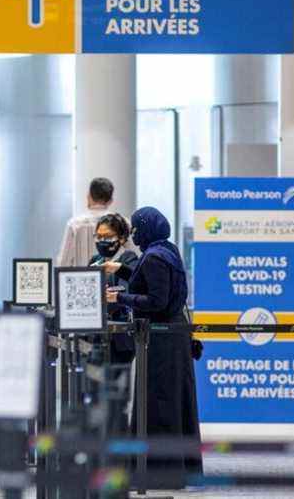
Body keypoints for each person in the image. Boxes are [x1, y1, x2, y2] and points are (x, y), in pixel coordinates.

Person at [104, 207, 202, 488]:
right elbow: (146, 277)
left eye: (136, 228)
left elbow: (156, 300)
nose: (133, 234)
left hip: (162, 339)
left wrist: (121, 299)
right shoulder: (165, 249)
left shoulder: (155, 256)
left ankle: (160, 471)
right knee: (174, 401)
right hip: (173, 335)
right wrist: (121, 270)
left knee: (159, 402)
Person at [88, 213, 138, 366]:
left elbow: (125, 291)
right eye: (99, 236)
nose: (102, 241)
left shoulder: (129, 259)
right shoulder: (95, 261)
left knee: (117, 383)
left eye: (108, 237)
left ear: (121, 238)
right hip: (96, 334)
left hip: (120, 336)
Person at [56, 177, 115, 267]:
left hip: (81, 279)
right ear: (110, 201)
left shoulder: (75, 224)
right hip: (112, 280)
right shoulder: (123, 224)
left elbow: (64, 262)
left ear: (89, 196)